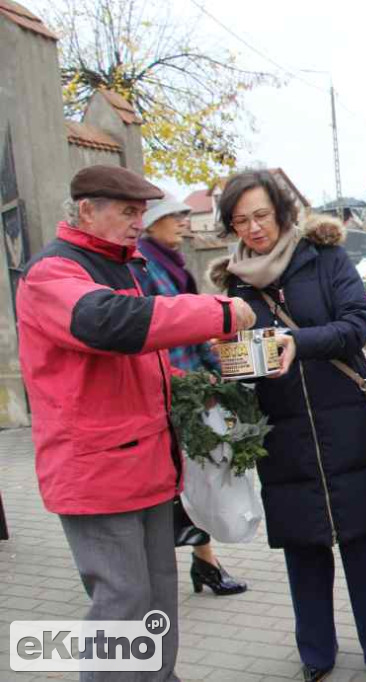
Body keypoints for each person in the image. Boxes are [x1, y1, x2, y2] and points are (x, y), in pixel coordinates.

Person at [15, 164, 257, 681]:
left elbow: (139, 360)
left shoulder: (124, 266)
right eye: (128, 211)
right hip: (96, 475)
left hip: (144, 466)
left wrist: (198, 390)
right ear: (87, 210)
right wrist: (217, 313)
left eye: (141, 212)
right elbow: (109, 325)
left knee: (156, 600)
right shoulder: (53, 273)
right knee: (122, 606)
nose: (137, 222)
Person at [207, 170, 366, 682]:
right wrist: (226, 359)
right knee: (303, 553)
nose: (253, 229)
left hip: (347, 424)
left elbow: (356, 324)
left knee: (365, 547)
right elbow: (236, 363)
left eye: (260, 216)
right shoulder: (234, 284)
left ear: (281, 212)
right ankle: (316, 655)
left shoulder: (324, 259)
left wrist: (300, 344)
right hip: (285, 434)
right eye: (240, 221)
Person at [128, 194, 247, 597]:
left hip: (193, 384)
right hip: (171, 388)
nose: (183, 222)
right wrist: (186, 380)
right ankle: (199, 564)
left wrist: (218, 374)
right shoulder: (143, 267)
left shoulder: (171, 265)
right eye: (173, 216)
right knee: (187, 477)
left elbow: (193, 327)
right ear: (150, 223)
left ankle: (205, 562)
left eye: (184, 214)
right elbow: (154, 330)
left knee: (202, 472)